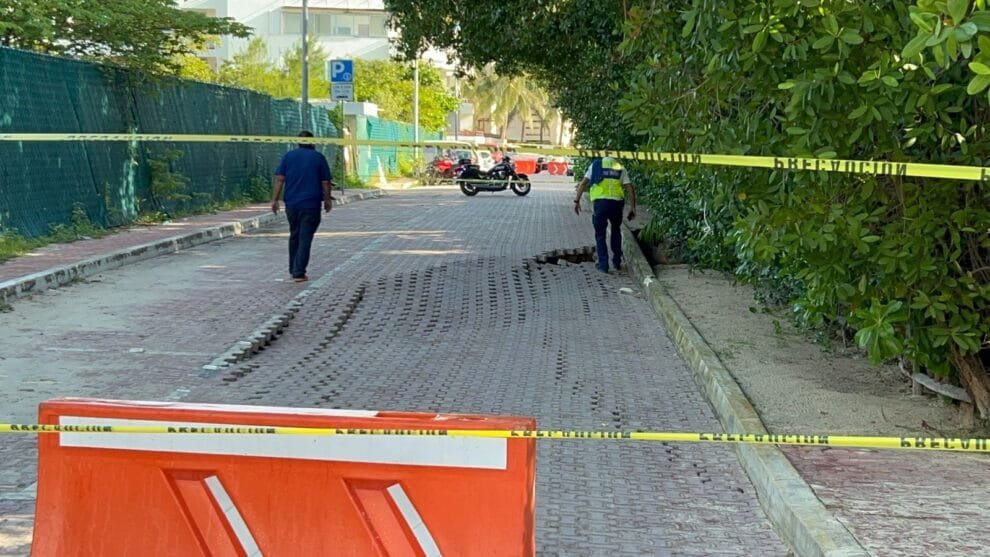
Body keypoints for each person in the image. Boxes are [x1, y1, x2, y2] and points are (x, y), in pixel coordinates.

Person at [271, 130, 333, 283]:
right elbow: (325, 182)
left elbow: (280, 179)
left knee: (295, 235)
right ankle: (299, 272)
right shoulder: (318, 158)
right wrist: (327, 200)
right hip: (311, 204)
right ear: (312, 142)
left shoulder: (288, 157)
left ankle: (293, 268)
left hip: (292, 204)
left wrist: (275, 200)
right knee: (305, 237)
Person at [573, 156, 636, 273]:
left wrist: (577, 201)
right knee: (616, 231)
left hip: (601, 204)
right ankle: (617, 262)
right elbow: (629, 187)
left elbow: (583, 183)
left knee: (600, 234)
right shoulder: (620, 167)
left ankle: (603, 265)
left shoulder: (596, 165)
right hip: (616, 204)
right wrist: (632, 207)